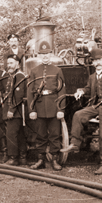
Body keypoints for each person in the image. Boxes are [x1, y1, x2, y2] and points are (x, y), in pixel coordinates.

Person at [61, 48, 102, 175]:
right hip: (96, 105)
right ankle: (75, 143)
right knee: (78, 114)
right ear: (93, 63)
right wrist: (81, 91)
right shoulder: (92, 77)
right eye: (95, 61)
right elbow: (88, 88)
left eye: (100, 60)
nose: (98, 63)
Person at [27, 42, 66, 171]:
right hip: (38, 107)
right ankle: (41, 160)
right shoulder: (34, 71)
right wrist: (31, 110)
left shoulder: (57, 70)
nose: (45, 56)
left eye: (47, 53)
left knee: (55, 135)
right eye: (42, 54)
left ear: (51, 54)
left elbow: (61, 90)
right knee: (40, 135)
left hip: (53, 106)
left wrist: (60, 109)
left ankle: (54, 160)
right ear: (39, 55)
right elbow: (30, 91)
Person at [3, 54, 27, 166]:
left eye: (11, 63)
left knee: (11, 134)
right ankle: (22, 157)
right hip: (16, 111)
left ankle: (13, 158)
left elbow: (18, 95)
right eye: (8, 63)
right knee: (20, 135)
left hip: (16, 111)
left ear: (18, 64)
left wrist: (11, 110)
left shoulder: (19, 76)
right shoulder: (12, 76)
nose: (9, 66)